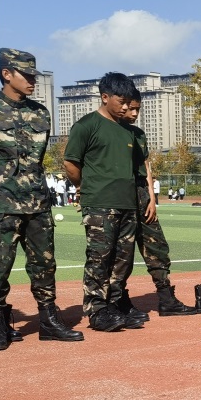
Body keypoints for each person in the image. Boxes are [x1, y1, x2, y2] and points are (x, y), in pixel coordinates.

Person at [0, 48, 84, 349]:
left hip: (37, 202)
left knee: (45, 263)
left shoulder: (40, 113)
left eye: (34, 75)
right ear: (7, 74)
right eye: (26, 75)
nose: (32, 81)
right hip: (2, 203)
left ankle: (49, 320)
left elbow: (38, 159)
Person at [63, 72, 144, 332]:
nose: (126, 108)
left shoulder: (127, 131)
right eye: (121, 102)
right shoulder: (87, 125)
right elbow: (70, 162)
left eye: (129, 102)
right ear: (105, 97)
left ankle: (115, 304)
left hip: (127, 204)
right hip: (99, 204)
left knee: (123, 260)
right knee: (99, 258)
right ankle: (97, 309)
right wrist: (83, 187)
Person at [117, 97, 199, 317]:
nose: (134, 113)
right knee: (121, 253)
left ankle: (166, 298)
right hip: (119, 195)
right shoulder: (109, 131)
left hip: (142, 195)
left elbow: (146, 166)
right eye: (131, 109)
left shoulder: (138, 134)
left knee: (157, 247)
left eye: (138, 109)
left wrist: (152, 198)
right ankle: (119, 300)